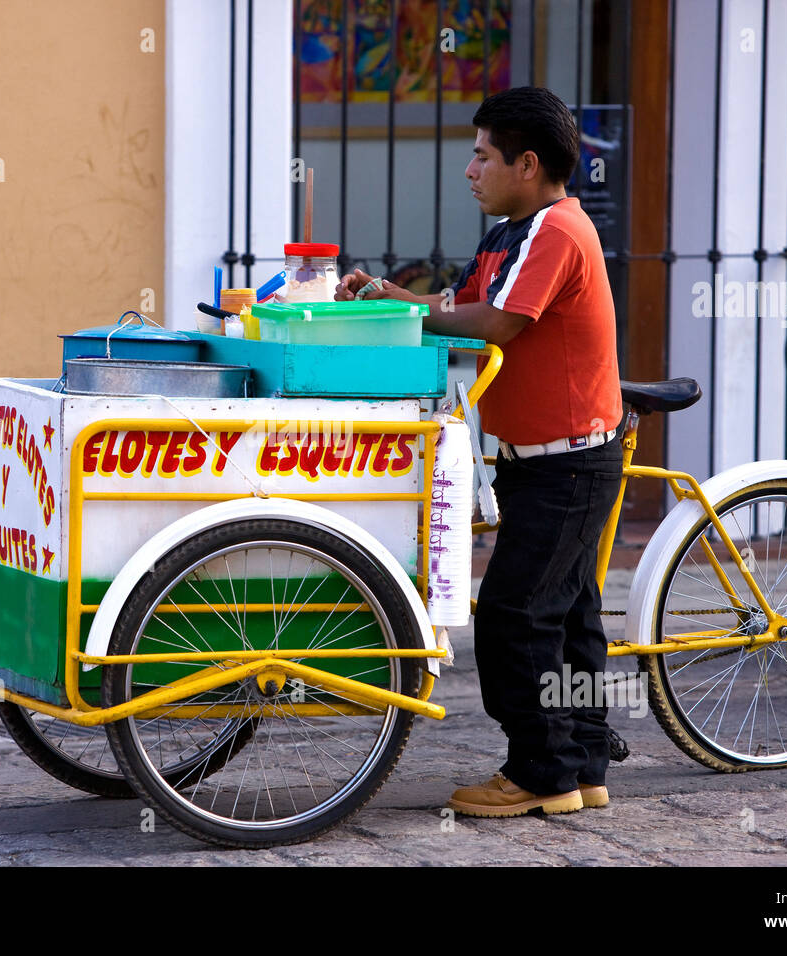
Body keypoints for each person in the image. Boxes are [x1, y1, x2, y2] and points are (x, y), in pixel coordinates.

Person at [336, 86, 624, 817]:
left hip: (570, 462)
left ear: (527, 164)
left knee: (513, 615)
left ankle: (540, 772)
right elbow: (454, 312)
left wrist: (412, 313)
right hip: (540, 459)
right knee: (570, 616)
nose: (470, 169)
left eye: (481, 154)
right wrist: (383, 296)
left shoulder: (556, 230)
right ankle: (582, 764)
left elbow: (495, 325)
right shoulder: (509, 233)